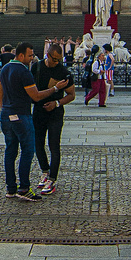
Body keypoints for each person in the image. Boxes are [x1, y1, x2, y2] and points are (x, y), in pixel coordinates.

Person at [0, 43, 42, 201]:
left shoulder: (5, 69)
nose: (32, 58)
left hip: (6, 114)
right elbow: (35, 96)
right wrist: (55, 89)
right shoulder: (23, 71)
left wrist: (4, 108)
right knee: (28, 150)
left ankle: (10, 188)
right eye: (30, 55)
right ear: (20, 55)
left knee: (10, 151)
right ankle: (23, 188)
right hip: (21, 115)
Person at [33, 43, 75, 196]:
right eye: (55, 59)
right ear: (48, 55)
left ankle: (52, 178)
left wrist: (57, 103)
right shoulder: (37, 67)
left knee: (53, 145)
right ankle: (45, 170)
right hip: (38, 111)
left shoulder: (63, 72)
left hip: (55, 112)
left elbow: (71, 94)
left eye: (60, 59)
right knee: (38, 144)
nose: (57, 62)